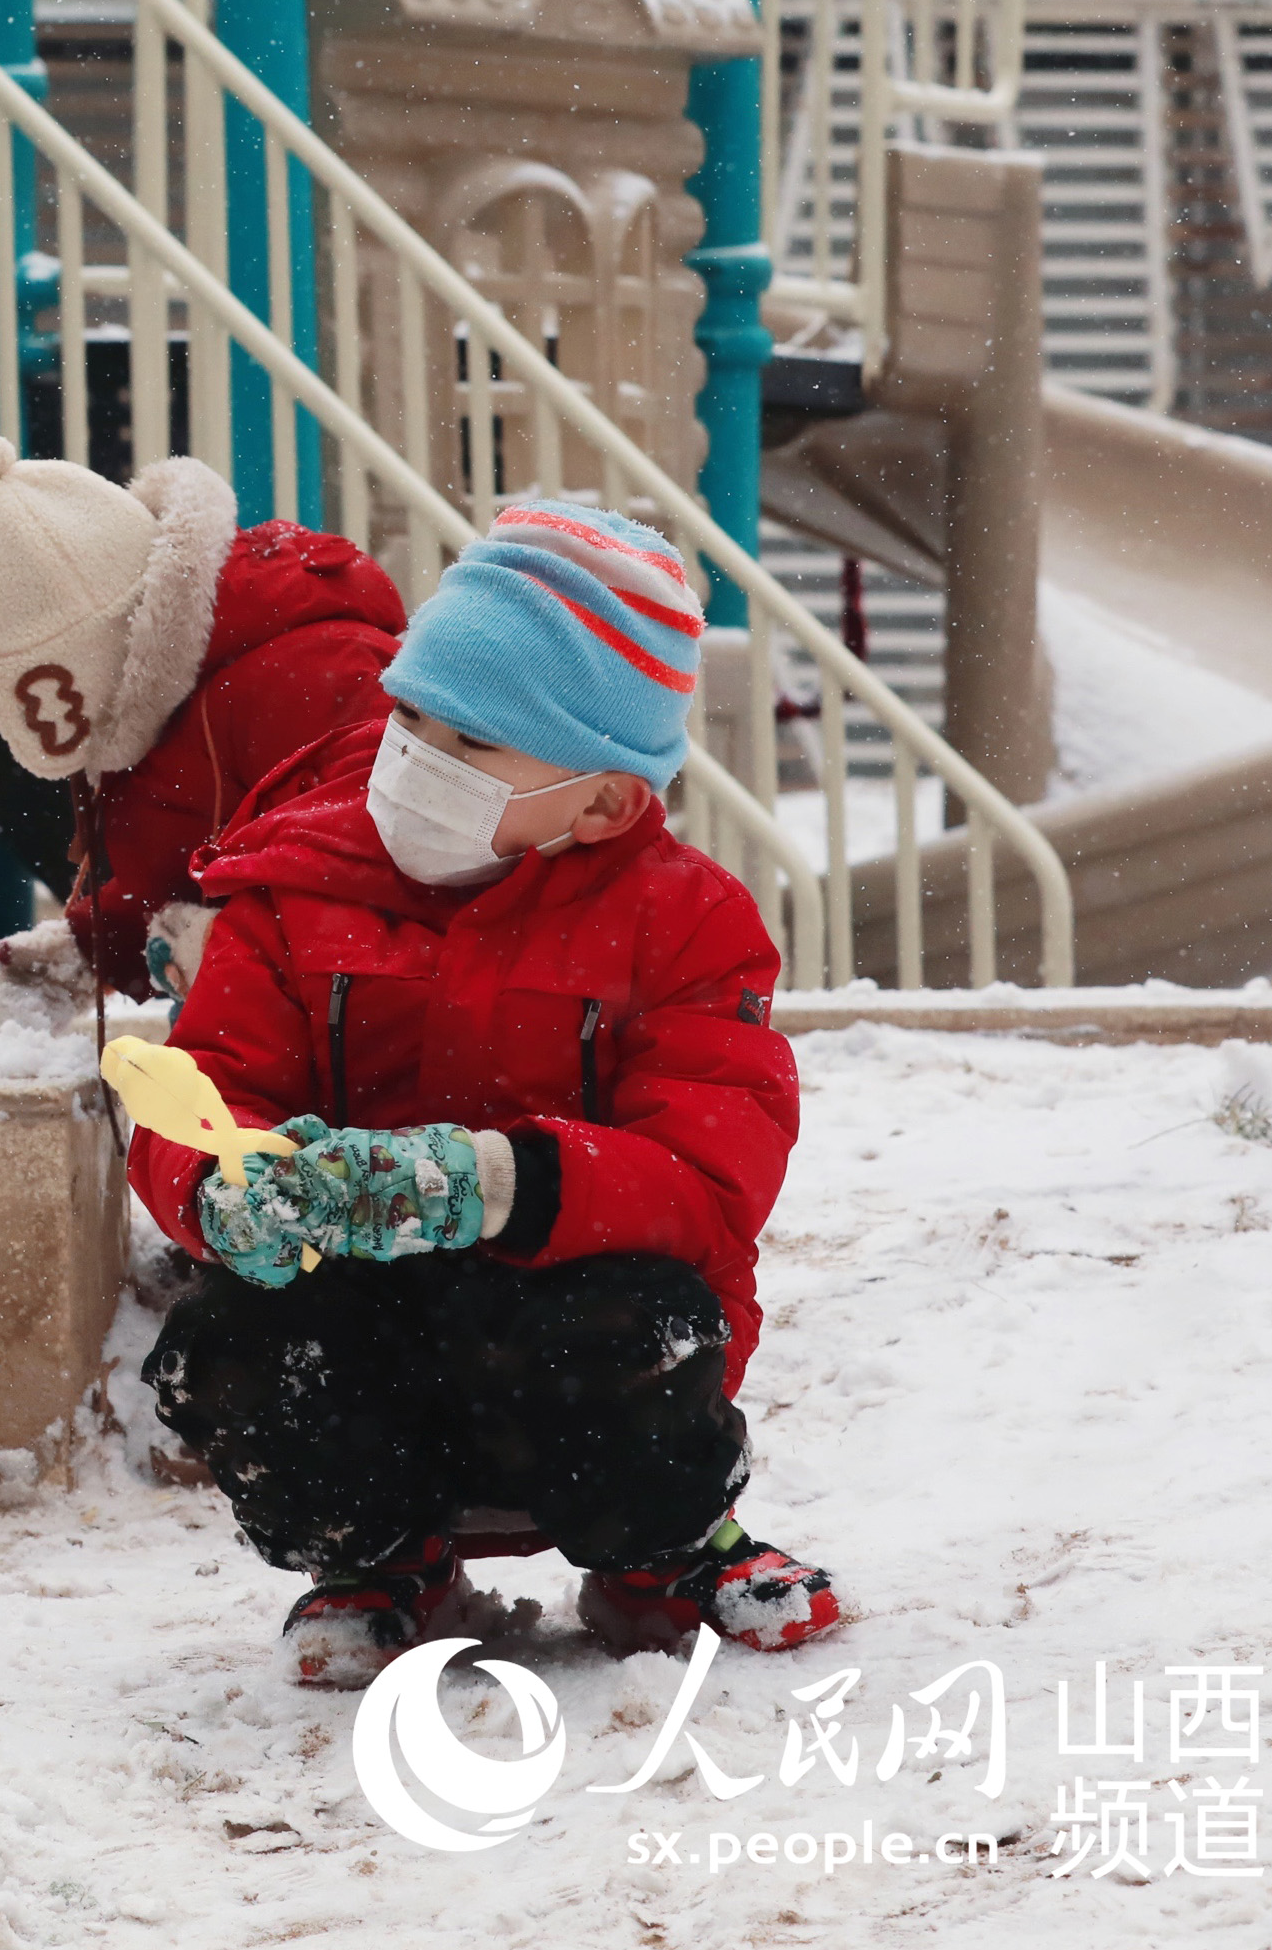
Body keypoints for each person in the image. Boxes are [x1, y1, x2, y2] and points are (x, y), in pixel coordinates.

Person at [124, 500, 835, 1690]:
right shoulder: (299, 887)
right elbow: (202, 1087)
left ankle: (658, 1551)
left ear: (603, 801)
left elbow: (711, 1182)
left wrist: (500, 1183)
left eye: (471, 744)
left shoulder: (686, 926)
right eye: (408, 716)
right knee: (237, 1338)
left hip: (559, 1312)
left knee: (631, 1326)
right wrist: (222, 1181)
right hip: (362, 1312)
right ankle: (381, 1557)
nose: (414, 759)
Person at [0, 432, 404, 1012]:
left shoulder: (310, 677)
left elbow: (388, 876)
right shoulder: (164, 689)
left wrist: (232, 952)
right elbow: (180, 854)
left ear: (71, 657)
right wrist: (95, 946)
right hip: (291, 1021)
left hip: (369, 1045)